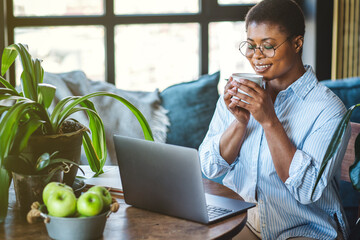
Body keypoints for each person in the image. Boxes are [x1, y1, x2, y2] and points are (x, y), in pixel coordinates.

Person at [199, 0, 351, 239]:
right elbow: (209, 167)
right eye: (250, 45)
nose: (256, 56)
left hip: (305, 229)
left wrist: (269, 121)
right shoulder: (239, 92)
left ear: (297, 43)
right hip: (244, 222)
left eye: (268, 46)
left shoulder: (328, 110)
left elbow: (306, 190)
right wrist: (240, 123)